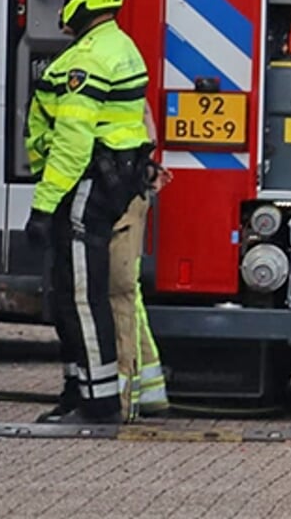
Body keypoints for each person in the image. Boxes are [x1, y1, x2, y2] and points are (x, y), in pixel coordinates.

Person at [23, 0, 153, 425]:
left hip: (85, 187)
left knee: (80, 296)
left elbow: (73, 143)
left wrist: (43, 207)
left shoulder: (88, 60)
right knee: (75, 294)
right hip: (105, 183)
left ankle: (97, 404)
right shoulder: (117, 45)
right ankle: (82, 389)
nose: (59, 9)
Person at [110, 169, 171, 420]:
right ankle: (149, 396)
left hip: (120, 194)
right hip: (128, 189)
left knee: (120, 298)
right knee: (130, 299)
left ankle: (125, 401)